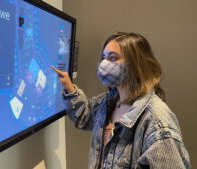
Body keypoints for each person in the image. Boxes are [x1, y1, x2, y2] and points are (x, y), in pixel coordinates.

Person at [51, 32, 191, 169]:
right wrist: (69, 87)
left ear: (135, 65)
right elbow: (84, 118)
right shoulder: (110, 100)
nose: (103, 64)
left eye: (113, 58)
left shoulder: (158, 123)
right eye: (104, 57)